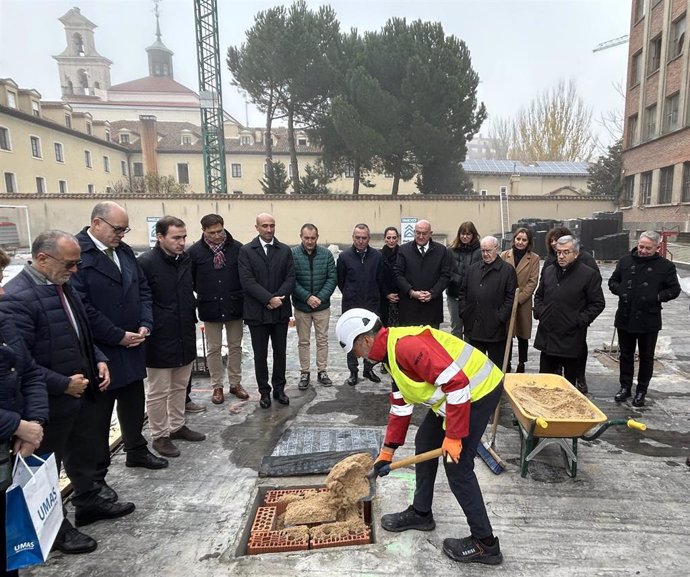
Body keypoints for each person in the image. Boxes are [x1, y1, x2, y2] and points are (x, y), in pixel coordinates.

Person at [335, 308, 504, 566]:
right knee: (425, 441)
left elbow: (457, 384)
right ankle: (422, 512)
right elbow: (401, 407)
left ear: (366, 340)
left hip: (477, 391)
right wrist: (387, 451)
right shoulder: (390, 355)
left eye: (355, 350)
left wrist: (454, 437)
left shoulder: (406, 347)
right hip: (454, 397)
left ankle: (486, 544)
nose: (357, 357)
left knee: (457, 467)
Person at [2, 231, 134, 554]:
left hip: (80, 391)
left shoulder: (63, 284)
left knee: (84, 451)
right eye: (70, 263)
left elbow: (82, 330)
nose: (75, 270)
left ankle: (88, 500)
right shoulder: (19, 298)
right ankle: (56, 530)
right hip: (49, 402)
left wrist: (99, 359)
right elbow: (24, 364)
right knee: (48, 470)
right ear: (43, 258)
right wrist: (63, 384)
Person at [71, 202, 168, 480]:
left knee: (133, 401)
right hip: (101, 348)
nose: (121, 235)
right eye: (117, 229)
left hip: (134, 342)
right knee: (99, 417)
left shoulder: (123, 252)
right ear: (97, 223)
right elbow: (82, 306)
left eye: (125, 230)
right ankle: (97, 476)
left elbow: (143, 290)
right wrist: (116, 336)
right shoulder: (77, 253)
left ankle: (136, 449)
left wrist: (145, 324)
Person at [138, 216, 206, 458]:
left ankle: (177, 426)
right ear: (160, 237)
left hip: (184, 331)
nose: (182, 242)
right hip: (159, 336)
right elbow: (142, 300)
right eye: (176, 238)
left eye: (184, 237)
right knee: (159, 390)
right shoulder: (146, 263)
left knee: (180, 385)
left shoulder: (184, 260)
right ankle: (160, 435)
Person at [0, 248, 48, 577]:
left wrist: (33, 424)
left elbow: (28, 372)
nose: (2, 291)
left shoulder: (2, 319)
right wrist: (17, 425)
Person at [608, 231, 680, 407]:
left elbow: (674, 289)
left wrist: (656, 297)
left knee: (646, 357)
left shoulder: (666, 266)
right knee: (626, 355)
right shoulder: (625, 261)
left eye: (648, 248)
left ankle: (641, 390)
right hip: (626, 316)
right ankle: (625, 387)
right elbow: (613, 282)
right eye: (641, 246)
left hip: (649, 319)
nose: (643, 250)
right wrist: (621, 291)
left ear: (656, 247)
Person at [188, 213, 248, 405]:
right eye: (212, 232)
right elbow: (192, 280)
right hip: (210, 306)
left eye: (219, 231)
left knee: (235, 346)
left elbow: (244, 276)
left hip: (234, 304)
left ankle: (235, 383)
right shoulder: (195, 252)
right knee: (213, 349)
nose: (216, 236)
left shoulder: (237, 248)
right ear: (204, 231)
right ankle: (217, 386)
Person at [238, 213, 295, 408]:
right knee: (260, 354)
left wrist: (278, 298)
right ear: (257, 228)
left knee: (280, 352)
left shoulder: (285, 250)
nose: (269, 229)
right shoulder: (246, 251)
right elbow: (247, 281)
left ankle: (279, 388)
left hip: (280, 311)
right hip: (257, 312)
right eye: (264, 226)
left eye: (272, 225)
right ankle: (264, 391)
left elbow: (290, 278)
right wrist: (268, 299)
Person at [533, 235, 605, 386]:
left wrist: (580, 320)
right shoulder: (549, 271)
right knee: (545, 382)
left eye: (566, 252)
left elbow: (598, 303)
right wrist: (541, 312)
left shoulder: (587, 274)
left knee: (568, 384)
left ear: (576, 253)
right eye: (559, 252)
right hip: (548, 336)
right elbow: (539, 296)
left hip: (570, 339)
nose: (561, 256)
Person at [336, 223, 384, 386]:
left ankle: (368, 368)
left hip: (371, 306)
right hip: (351, 306)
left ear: (369, 238)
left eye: (364, 238)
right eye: (358, 238)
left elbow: (380, 280)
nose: (361, 241)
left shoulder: (377, 256)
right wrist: (350, 293)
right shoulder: (344, 257)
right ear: (353, 237)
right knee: (352, 340)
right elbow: (341, 281)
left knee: (372, 339)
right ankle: (353, 372)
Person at [459, 236, 517, 368]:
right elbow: (463, 293)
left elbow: (510, 298)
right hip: (473, 327)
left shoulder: (507, 270)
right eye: (483, 251)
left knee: (496, 367)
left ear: (497, 249)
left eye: (488, 251)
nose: (485, 254)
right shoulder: (472, 269)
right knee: (473, 367)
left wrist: (499, 317)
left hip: (495, 330)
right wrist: (464, 312)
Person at [291, 223, 337, 390]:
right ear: (301, 237)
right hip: (302, 307)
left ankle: (322, 371)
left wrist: (319, 298)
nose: (309, 241)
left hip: (322, 307)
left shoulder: (326, 255)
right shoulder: (293, 254)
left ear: (317, 237)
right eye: (306, 238)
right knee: (303, 341)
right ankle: (305, 372)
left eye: (312, 238)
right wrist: (307, 297)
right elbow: (291, 280)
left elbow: (332, 278)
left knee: (322, 340)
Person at [395, 219, 452, 329]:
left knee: (430, 344)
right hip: (409, 308)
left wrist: (432, 293)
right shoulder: (403, 250)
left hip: (432, 308)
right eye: (418, 233)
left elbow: (445, 275)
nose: (420, 236)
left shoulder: (441, 251)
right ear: (414, 232)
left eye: (424, 233)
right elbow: (398, 274)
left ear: (430, 234)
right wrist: (411, 292)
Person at [500, 228, 540, 372]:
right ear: (514, 239)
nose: (520, 242)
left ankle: (522, 363)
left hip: (523, 301)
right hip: (506, 300)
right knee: (507, 333)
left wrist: (519, 299)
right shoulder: (505, 255)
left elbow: (532, 282)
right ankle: (507, 361)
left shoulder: (534, 258)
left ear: (528, 242)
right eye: (518, 239)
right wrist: (508, 300)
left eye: (524, 240)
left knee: (523, 334)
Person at [446, 222, 481, 339]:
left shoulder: (480, 252)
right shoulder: (451, 250)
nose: (465, 237)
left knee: (470, 328)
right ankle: (457, 355)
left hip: (472, 296)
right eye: (462, 234)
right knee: (456, 327)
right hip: (454, 294)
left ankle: (469, 355)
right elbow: (445, 270)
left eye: (468, 234)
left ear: (473, 235)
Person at [380, 226, 401, 329]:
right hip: (383, 298)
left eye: (394, 237)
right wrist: (386, 294)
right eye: (388, 238)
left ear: (398, 238)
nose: (391, 241)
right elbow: (378, 277)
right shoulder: (378, 255)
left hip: (401, 297)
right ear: (385, 238)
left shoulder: (403, 254)